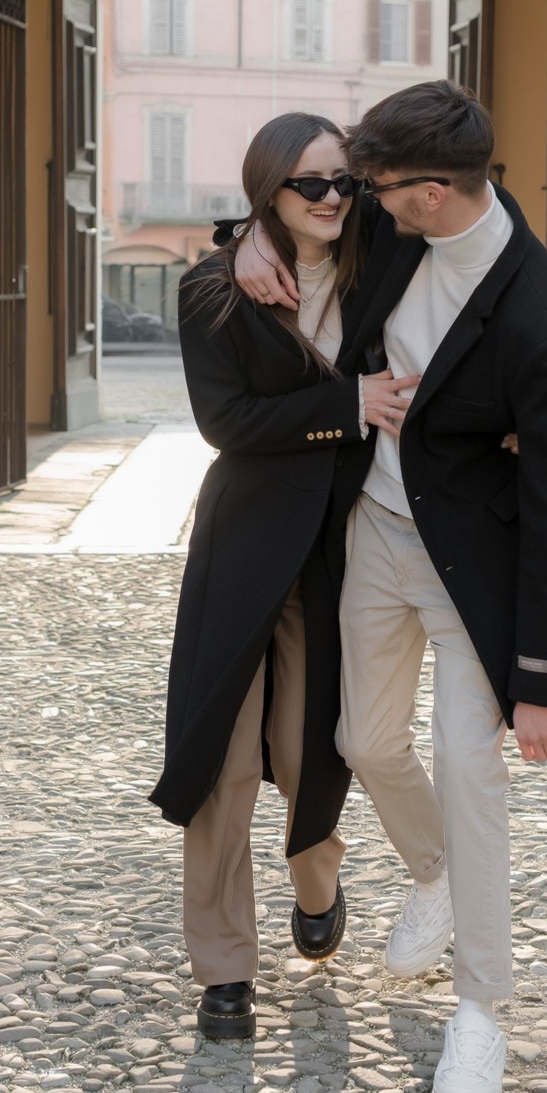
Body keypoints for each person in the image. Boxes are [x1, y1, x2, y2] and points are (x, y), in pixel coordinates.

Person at [234, 81, 547, 1093]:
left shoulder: (532, 313)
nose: (361, 201)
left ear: (431, 192)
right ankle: (434, 871)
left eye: (378, 188)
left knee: (466, 770)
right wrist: (248, 242)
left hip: (472, 574)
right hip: (374, 540)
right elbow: (305, 238)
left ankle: (481, 1012)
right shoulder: (396, 238)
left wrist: (541, 681)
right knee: (363, 742)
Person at [148, 112, 418, 1041]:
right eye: (312, 186)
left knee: (314, 751)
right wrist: (343, 404)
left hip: (342, 546)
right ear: (270, 192)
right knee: (223, 762)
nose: (334, 198)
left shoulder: (380, 254)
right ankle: (223, 972)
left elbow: (467, 211)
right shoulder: (211, 292)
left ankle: (319, 882)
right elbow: (227, 425)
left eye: (344, 181)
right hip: (246, 541)